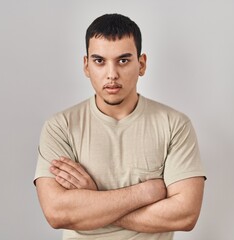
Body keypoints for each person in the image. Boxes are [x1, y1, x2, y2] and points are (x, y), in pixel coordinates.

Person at [34, 13, 206, 240]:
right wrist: (146, 192)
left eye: (123, 60)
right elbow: (58, 213)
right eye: (99, 61)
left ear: (141, 64)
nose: (112, 74)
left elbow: (185, 216)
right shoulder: (61, 127)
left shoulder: (175, 125)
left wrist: (93, 200)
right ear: (86, 66)